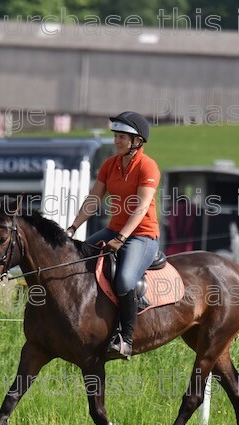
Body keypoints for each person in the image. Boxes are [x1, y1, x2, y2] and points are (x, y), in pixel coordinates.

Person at [66, 111, 161, 360]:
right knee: (76, 258)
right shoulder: (110, 165)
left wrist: (121, 239)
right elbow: (93, 199)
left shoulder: (148, 166)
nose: (116, 141)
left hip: (142, 236)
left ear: (137, 141)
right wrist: (72, 228)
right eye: (116, 136)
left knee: (125, 279)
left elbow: (141, 208)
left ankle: (125, 339)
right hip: (114, 230)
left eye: (122, 137)